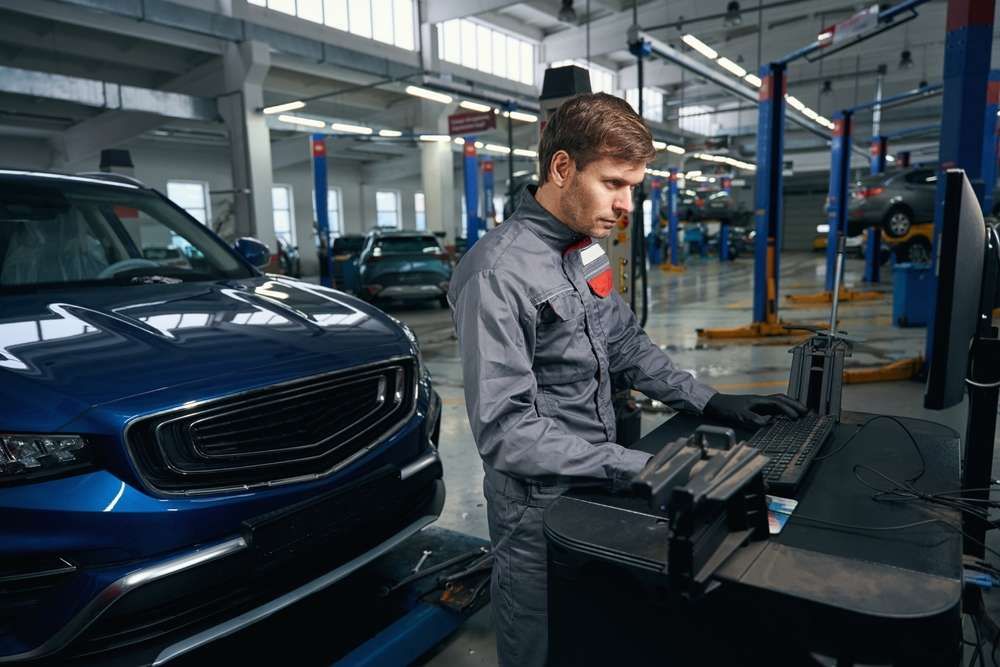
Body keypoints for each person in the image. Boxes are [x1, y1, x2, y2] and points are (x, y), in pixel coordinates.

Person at [447, 93, 806, 667]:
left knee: (597, 632)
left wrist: (712, 400)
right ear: (562, 168)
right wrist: (646, 467)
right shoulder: (497, 273)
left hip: (599, 477)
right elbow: (506, 432)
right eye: (614, 182)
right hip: (536, 508)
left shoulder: (585, 250)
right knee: (540, 645)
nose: (626, 203)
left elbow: (625, 343)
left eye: (633, 186)